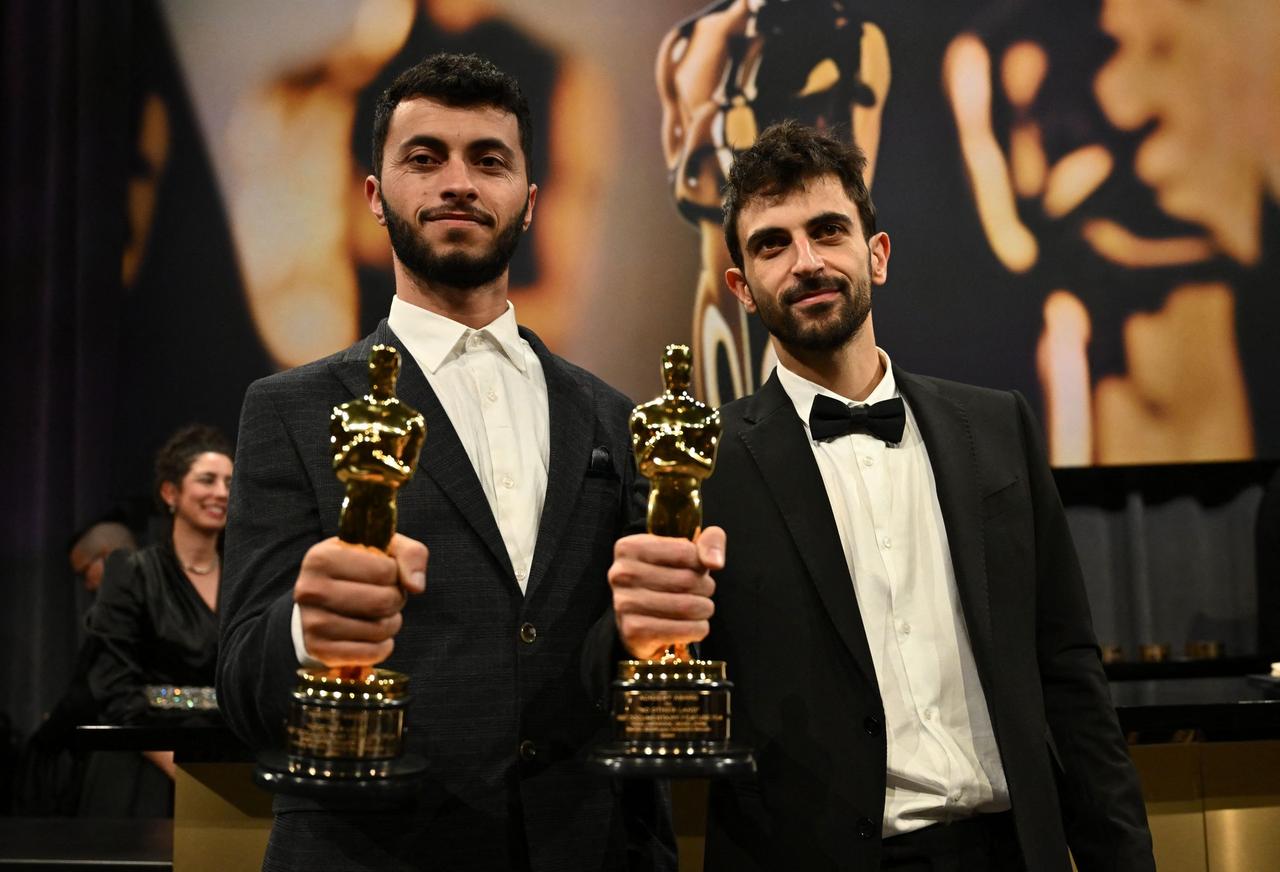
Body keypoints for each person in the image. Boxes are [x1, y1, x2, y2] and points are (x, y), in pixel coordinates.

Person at [601, 122, 1155, 871]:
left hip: (1009, 852)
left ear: (877, 254)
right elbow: (631, 680)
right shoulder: (695, 462)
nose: (806, 262)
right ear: (741, 289)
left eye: (828, 231)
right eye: (772, 244)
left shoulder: (998, 427)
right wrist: (633, 637)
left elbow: (1069, 673)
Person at [216, 53, 672, 871]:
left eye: (489, 160)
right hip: (373, 852)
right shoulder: (287, 410)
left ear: (529, 203)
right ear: (372, 198)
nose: (458, 182)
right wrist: (303, 632)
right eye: (424, 158)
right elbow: (246, 689)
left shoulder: (617, 417)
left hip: (591, 850)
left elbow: (617, 658)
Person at [83, 424, 232, 812]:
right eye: (207, 480)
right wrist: (180, 768)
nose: (221, 492)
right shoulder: (132, 571)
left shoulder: (245, 579)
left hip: (226, 764)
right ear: (170, 492)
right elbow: (113, 687)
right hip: (143, 768)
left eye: (230, 482)